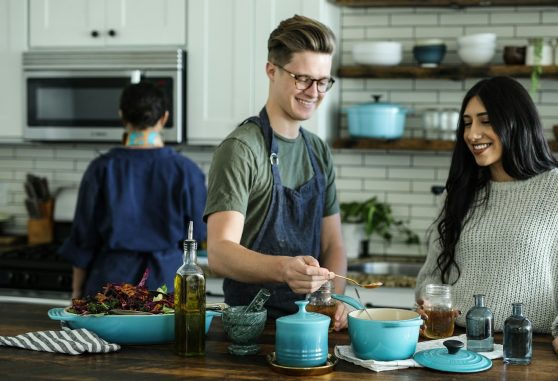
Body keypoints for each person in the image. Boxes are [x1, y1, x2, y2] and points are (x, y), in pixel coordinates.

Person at [415, 76, 558, 362]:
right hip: (455, 348)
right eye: (467, 123)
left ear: (516, 123)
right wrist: (427, 302)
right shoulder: (459, 193)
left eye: (486, 121)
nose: (472, 134)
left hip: (531, 350)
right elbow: (432, 276)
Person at [203, 15, 348, 328]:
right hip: (252, 330)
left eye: (323, 81)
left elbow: (333, 244)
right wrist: (285, 269)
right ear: (272, 70)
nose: (314, 92)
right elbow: (219, 252)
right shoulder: (242, 148)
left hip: (312, 325)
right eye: (303, 79)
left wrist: (335, 296)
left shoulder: (318, 151)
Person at [58, 82, 207, 299]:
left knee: (100, 336)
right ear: (164, 118)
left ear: (122, 116)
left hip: (109, 288)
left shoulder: (101, 168)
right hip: (166, 287)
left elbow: (83, 241)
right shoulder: (187, 171)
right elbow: (199, 234)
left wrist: (76, 293)